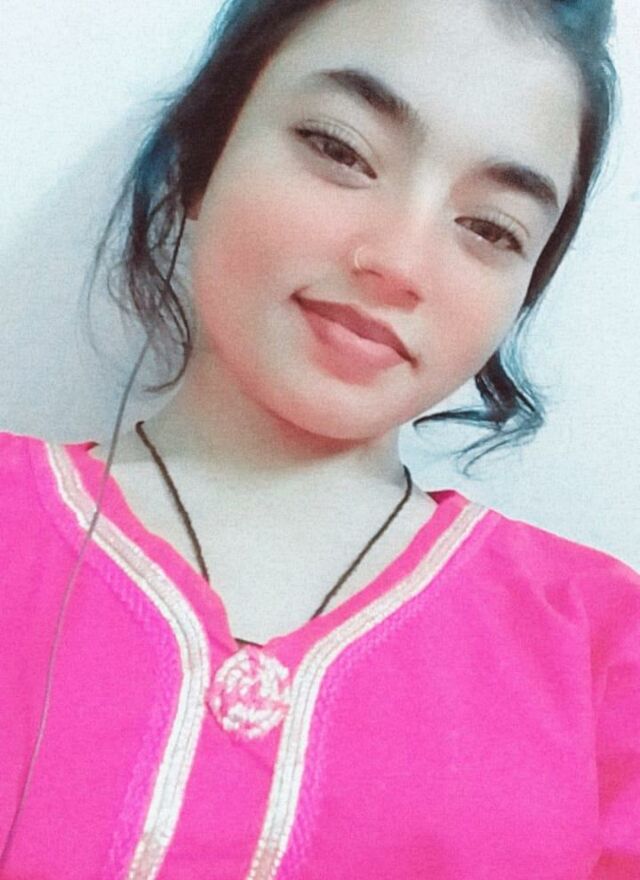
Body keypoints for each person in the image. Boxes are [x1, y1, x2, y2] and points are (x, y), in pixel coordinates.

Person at [1, 0, 638, 877]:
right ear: (202, 154)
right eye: (340, 149)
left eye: (492, 228)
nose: (399, 263)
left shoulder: (601, 647)